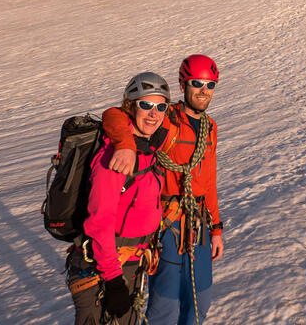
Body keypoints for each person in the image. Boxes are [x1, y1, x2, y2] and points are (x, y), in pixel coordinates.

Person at [102, 55, 223, 325]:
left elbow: (209, 181)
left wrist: (216, 229)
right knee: (164, 308)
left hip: (200, 226)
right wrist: (124, 144)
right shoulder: (165, 118)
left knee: (199, 304)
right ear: (183, 84)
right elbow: (113, 116)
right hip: (169, 228)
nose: (204, 90)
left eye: (210, 84)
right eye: (197, 83)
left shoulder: (210, 128)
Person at [67, 72, 171, 325]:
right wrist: (113, 281)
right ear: (131, 106)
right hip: (104, 270)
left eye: (161, 106)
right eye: (146, 105)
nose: (153, 113)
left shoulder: (146, 150)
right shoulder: (115, 158)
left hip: (131, 263)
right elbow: (99, 223)